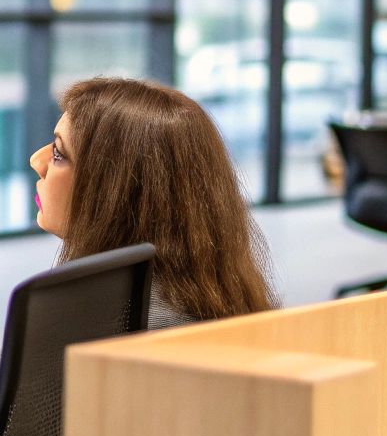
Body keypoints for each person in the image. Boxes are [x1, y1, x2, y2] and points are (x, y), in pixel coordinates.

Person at [29, 77, 275, 328]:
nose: (37, 161)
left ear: (117, 191)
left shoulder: (124, 328)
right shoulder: (210, 303)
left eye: (58, 153)